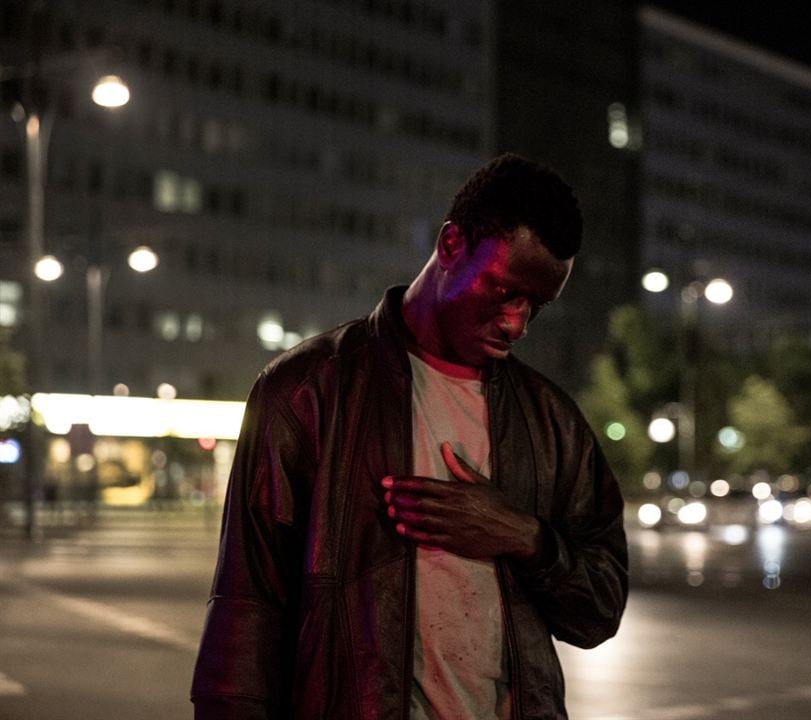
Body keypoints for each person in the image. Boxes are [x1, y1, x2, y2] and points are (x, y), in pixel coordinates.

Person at [191, 153, 629, 719]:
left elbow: (600, 610)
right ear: (451, 245)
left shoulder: (552, 421)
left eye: (536, 307)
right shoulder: (307, 391)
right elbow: (246, 606)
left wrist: (523, 536)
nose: (517, 323)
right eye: (503, 292)